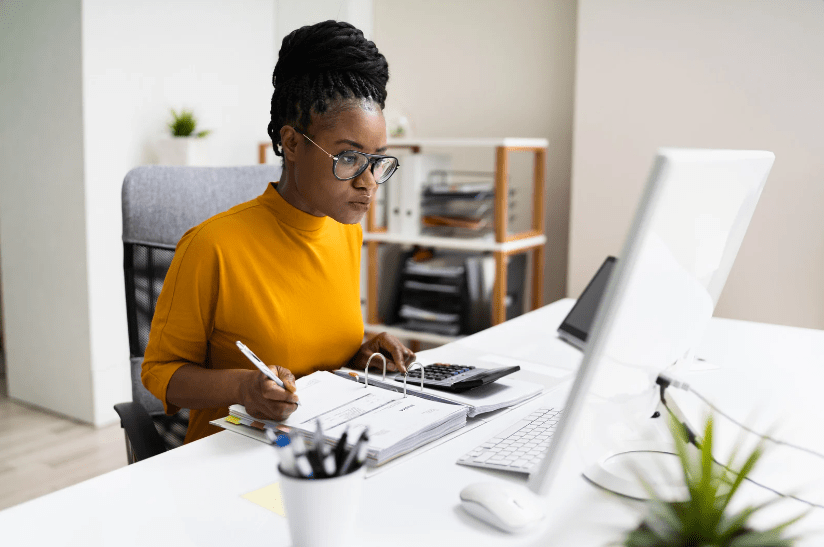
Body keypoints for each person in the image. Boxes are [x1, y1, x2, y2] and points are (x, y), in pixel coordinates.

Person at [141, 20, 415, 444]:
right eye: (348, 158)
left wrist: (363, 352)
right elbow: (159, 374)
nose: (368, 182)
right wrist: (242, 388)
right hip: (230, 457)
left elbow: (317, 349)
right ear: (291, 142)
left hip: (320, 447)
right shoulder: (212, 245)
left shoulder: (346, 231)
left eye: (377, 160)